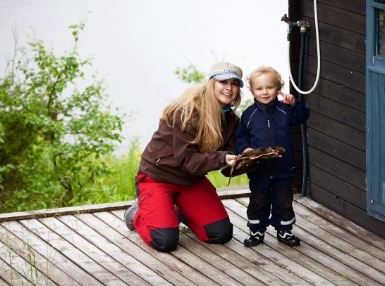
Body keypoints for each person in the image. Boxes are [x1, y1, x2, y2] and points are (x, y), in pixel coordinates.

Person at [124, 62, 243, 252]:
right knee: (165, 241)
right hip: (158, 178)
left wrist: (250, 159)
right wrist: (223, 158)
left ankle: (177, 211)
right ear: (211, 83)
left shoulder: (231, 120)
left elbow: (228, 166)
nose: (229, 88)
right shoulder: (187, 112)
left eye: (234, 83)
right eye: (223, 82)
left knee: (220, 233)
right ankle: (138, 214)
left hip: (190, 181)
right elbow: (188, 161)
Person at [236, 66, 309, 247]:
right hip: (259, 170)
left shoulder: (285, 111)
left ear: (278, 88)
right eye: (259, 89)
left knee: (283, 201)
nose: (265, 92)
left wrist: (294, 104)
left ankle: (284, 230)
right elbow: (241, 137)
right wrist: (245, 149)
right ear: (252, 91)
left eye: (269, 87)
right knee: (258, 200)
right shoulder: (249, 115)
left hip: (283, 169)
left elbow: (302, 116)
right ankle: (256, 231)